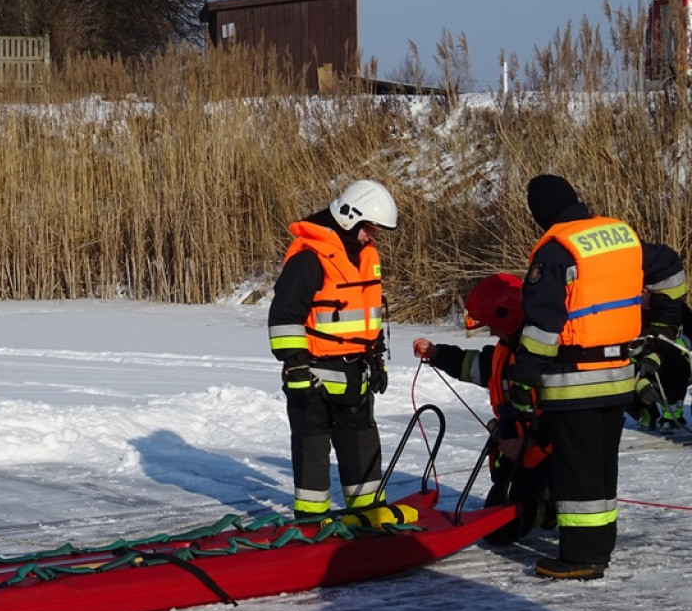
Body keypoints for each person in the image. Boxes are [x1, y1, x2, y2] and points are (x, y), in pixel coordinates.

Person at [509, 175, 687, 580]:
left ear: (542, 213)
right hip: (618, 378)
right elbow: (672, 271)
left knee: (578, 470)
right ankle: (599, 545)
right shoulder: (620, 238)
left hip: (576, 380)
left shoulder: (555, 252)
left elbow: (542, 328)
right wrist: (662, 330)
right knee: (602, 467)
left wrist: (522, 382)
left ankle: (582, 558)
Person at [268, 179, 396, 519]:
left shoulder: (366, 256)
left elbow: (368, 315)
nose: (373, 236)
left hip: (356, 373)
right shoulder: (309, 258)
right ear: (348, 218)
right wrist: (295, 368)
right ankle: (312, 519)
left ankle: (367, 511)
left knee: (362, 442)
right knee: (312, 447)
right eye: (370, 229)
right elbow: (283, 318)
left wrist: (377, 359)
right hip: (312, 376)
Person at [413, 273, 555, 545]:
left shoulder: (547, 357)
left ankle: (551, 504)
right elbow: (473, 364)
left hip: (547, 456)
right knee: (498, 532)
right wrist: (437, 354)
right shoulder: (505, 350)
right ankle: (538, 504)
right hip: (518, 455)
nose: (490, 332)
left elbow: (563, 417)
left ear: (509, 316)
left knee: (517, 519)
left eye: (492, 325)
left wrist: (528, 442)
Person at [626, 299, 692, 432]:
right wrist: (638, 379)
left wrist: (658, 355)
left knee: (673, 364)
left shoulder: (675, 307)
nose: (644, 295)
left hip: (673, 363)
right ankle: (645, 413)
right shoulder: (627, 310)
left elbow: (688, 337)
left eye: (649, 291)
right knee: (618, 376)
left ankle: (672, 416)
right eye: (641, 290)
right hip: (640, 365)